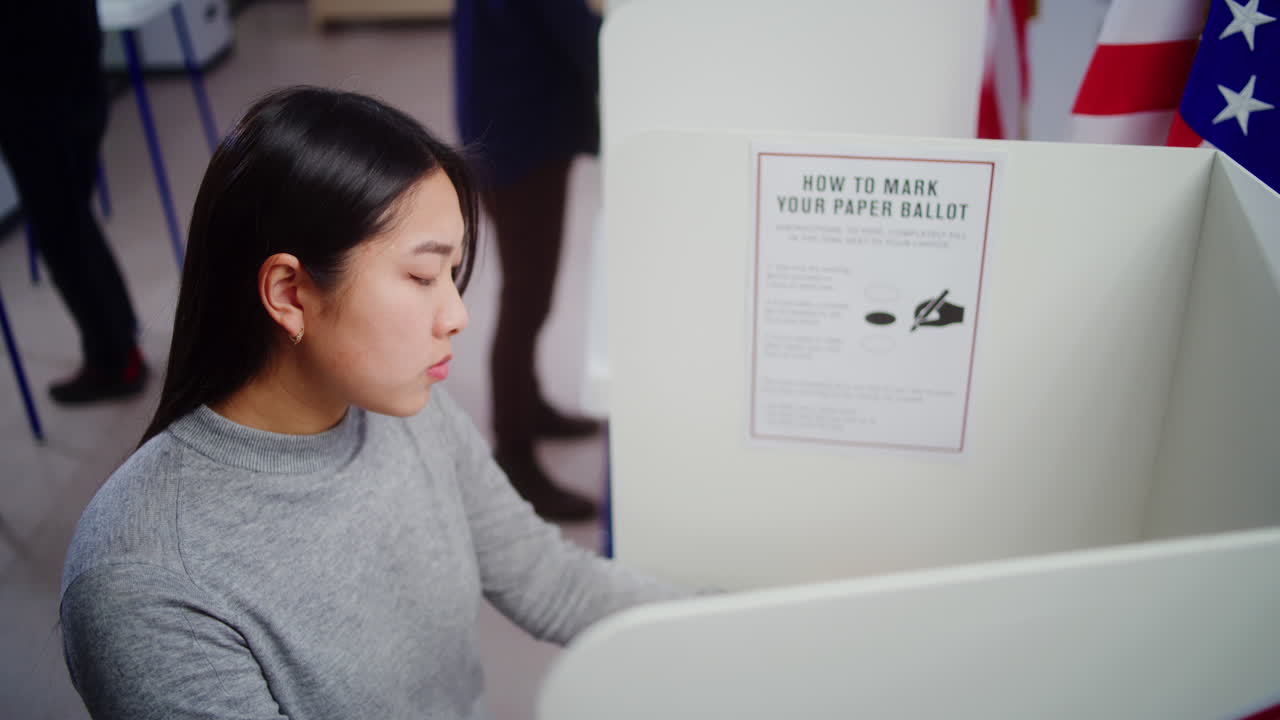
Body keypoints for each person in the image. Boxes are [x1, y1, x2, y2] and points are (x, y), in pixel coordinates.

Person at [58, 87, 685, 720]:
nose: (457, 315)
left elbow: (551, 580)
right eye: (422, 277)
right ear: (289, 293)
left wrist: (732, 623)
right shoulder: (144, 577)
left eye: (452, 275)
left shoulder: (411, 413)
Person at [453, 0, 604, 521]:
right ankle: (514, 455)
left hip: (508, 125)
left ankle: (530, 406)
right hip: (521, 139)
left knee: (529, 295)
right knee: (526, 299)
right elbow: (583, 37)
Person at [0, 1, 147, 404]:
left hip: (36, 94)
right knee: (74, 222)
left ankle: (113, 360)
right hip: (75, 81)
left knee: (63, 232)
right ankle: (120, 340)